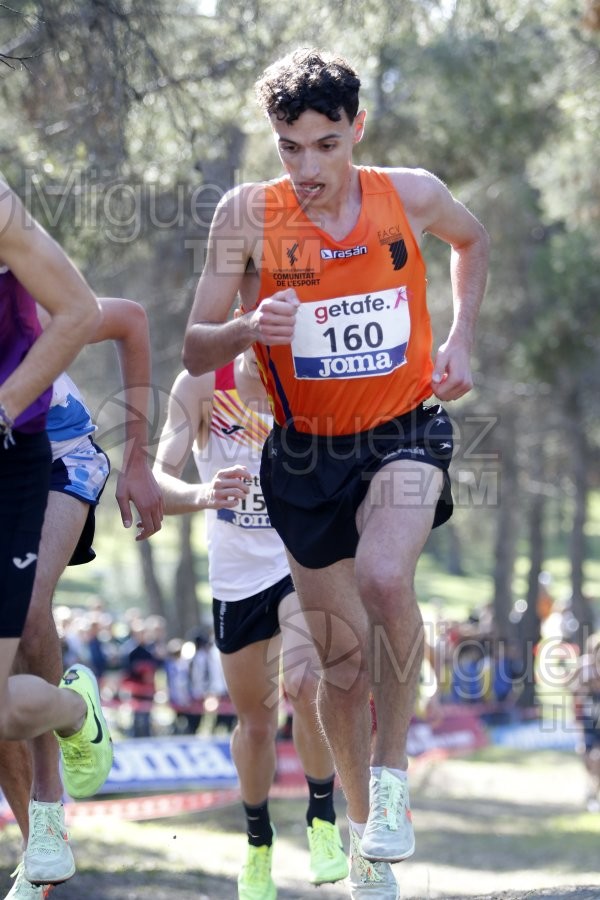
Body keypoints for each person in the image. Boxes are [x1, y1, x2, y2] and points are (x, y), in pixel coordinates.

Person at [181, 49, 489, 899]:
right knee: (341, 670)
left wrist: (462, 338)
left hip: (403, 431)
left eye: (325, 143)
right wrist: (249, 325)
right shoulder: (248, 216)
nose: (308, 166)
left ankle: (391, 784)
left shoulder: (410, 194)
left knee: (390, 576)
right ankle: (362, 838)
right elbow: (192, 345)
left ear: (358, 127)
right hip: (305, 455)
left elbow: (474, 240)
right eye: (290, 146)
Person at [152, 356, 349, 899]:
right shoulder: (201, 384)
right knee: (256, 725)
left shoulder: (310, 375)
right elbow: (156, 475)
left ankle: (323, 822)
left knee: (305, 683)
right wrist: (202, 494)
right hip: (234, 579)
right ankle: (258, 844)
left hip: (296, 562)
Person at [0, 296, 164, 899]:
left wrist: (139, 462)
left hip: (57, 458)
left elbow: (132, 319)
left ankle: (48, 809)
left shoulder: (21, 300)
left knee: (21, 602)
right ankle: (36, 849)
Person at [0, 179, 113, 896]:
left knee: (33, 620)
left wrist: (4, 404)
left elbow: (94, 312)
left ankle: (75, 713)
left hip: (30, 456)